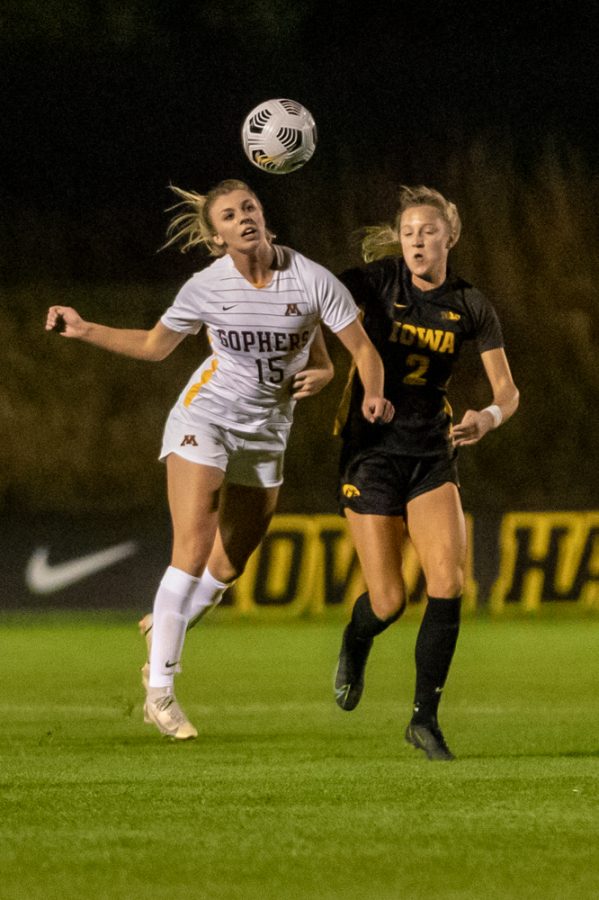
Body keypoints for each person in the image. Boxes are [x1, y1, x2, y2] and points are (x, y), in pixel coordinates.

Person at [46, 178, 394, 740]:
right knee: (192, 543)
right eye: (230, 216)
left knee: (229, 563)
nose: (244, 218)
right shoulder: (206, 287)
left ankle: (168, 622)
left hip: (266, 432)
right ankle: (160, 689)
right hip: (203, 417)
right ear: (216, 237)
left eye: (249, 207)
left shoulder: (310, 280)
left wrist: (357, 385)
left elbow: (359, 352)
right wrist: (85, 329)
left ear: (265, 217)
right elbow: (156, 347)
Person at [333, 184, 519, 760]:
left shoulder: (471, 305)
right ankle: (355, 642)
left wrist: (487, 418)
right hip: (371, 451)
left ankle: (424, 720)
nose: (417, 241)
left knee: (448, 580)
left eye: (428, 231)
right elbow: (309, 292)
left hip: (432, 452)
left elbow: (508, 391)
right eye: (409, 232)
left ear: (450, 237)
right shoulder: (375, 282)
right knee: (387, 601)